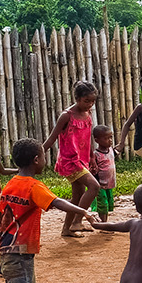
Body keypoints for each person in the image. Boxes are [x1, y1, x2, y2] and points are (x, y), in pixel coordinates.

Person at [0, 139, 99, 283]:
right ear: (36, 160)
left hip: (7, 247)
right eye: (43, 157)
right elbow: (57, 202)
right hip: (22, 250)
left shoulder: (11, 184)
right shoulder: (34, 186)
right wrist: (83, 212)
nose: (45, 161)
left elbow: (1, 213)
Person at [43, 80, 100, 238]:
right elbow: (51, 138)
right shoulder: (66, 116)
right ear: (77, 98)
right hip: (70, 161)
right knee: (94, 186)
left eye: (92, 101)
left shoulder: (87, 114)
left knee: (77, 196)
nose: (89, 104)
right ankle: (77, 221)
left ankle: (66, 229)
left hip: (82, 160)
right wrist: (37, 154)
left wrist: (91, 156)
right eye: (86, 101)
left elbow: (88, 137)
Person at [90, 125, 119, 223]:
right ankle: (103, 223)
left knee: (108, 203)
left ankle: (104, 221)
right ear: (97, 140)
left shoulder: (111, 150)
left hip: (109, 183)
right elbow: (93, 170)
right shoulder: (96, 155)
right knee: (102, 204)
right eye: (106, 138)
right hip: (100, 184)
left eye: (111, 137)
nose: (110, 140)